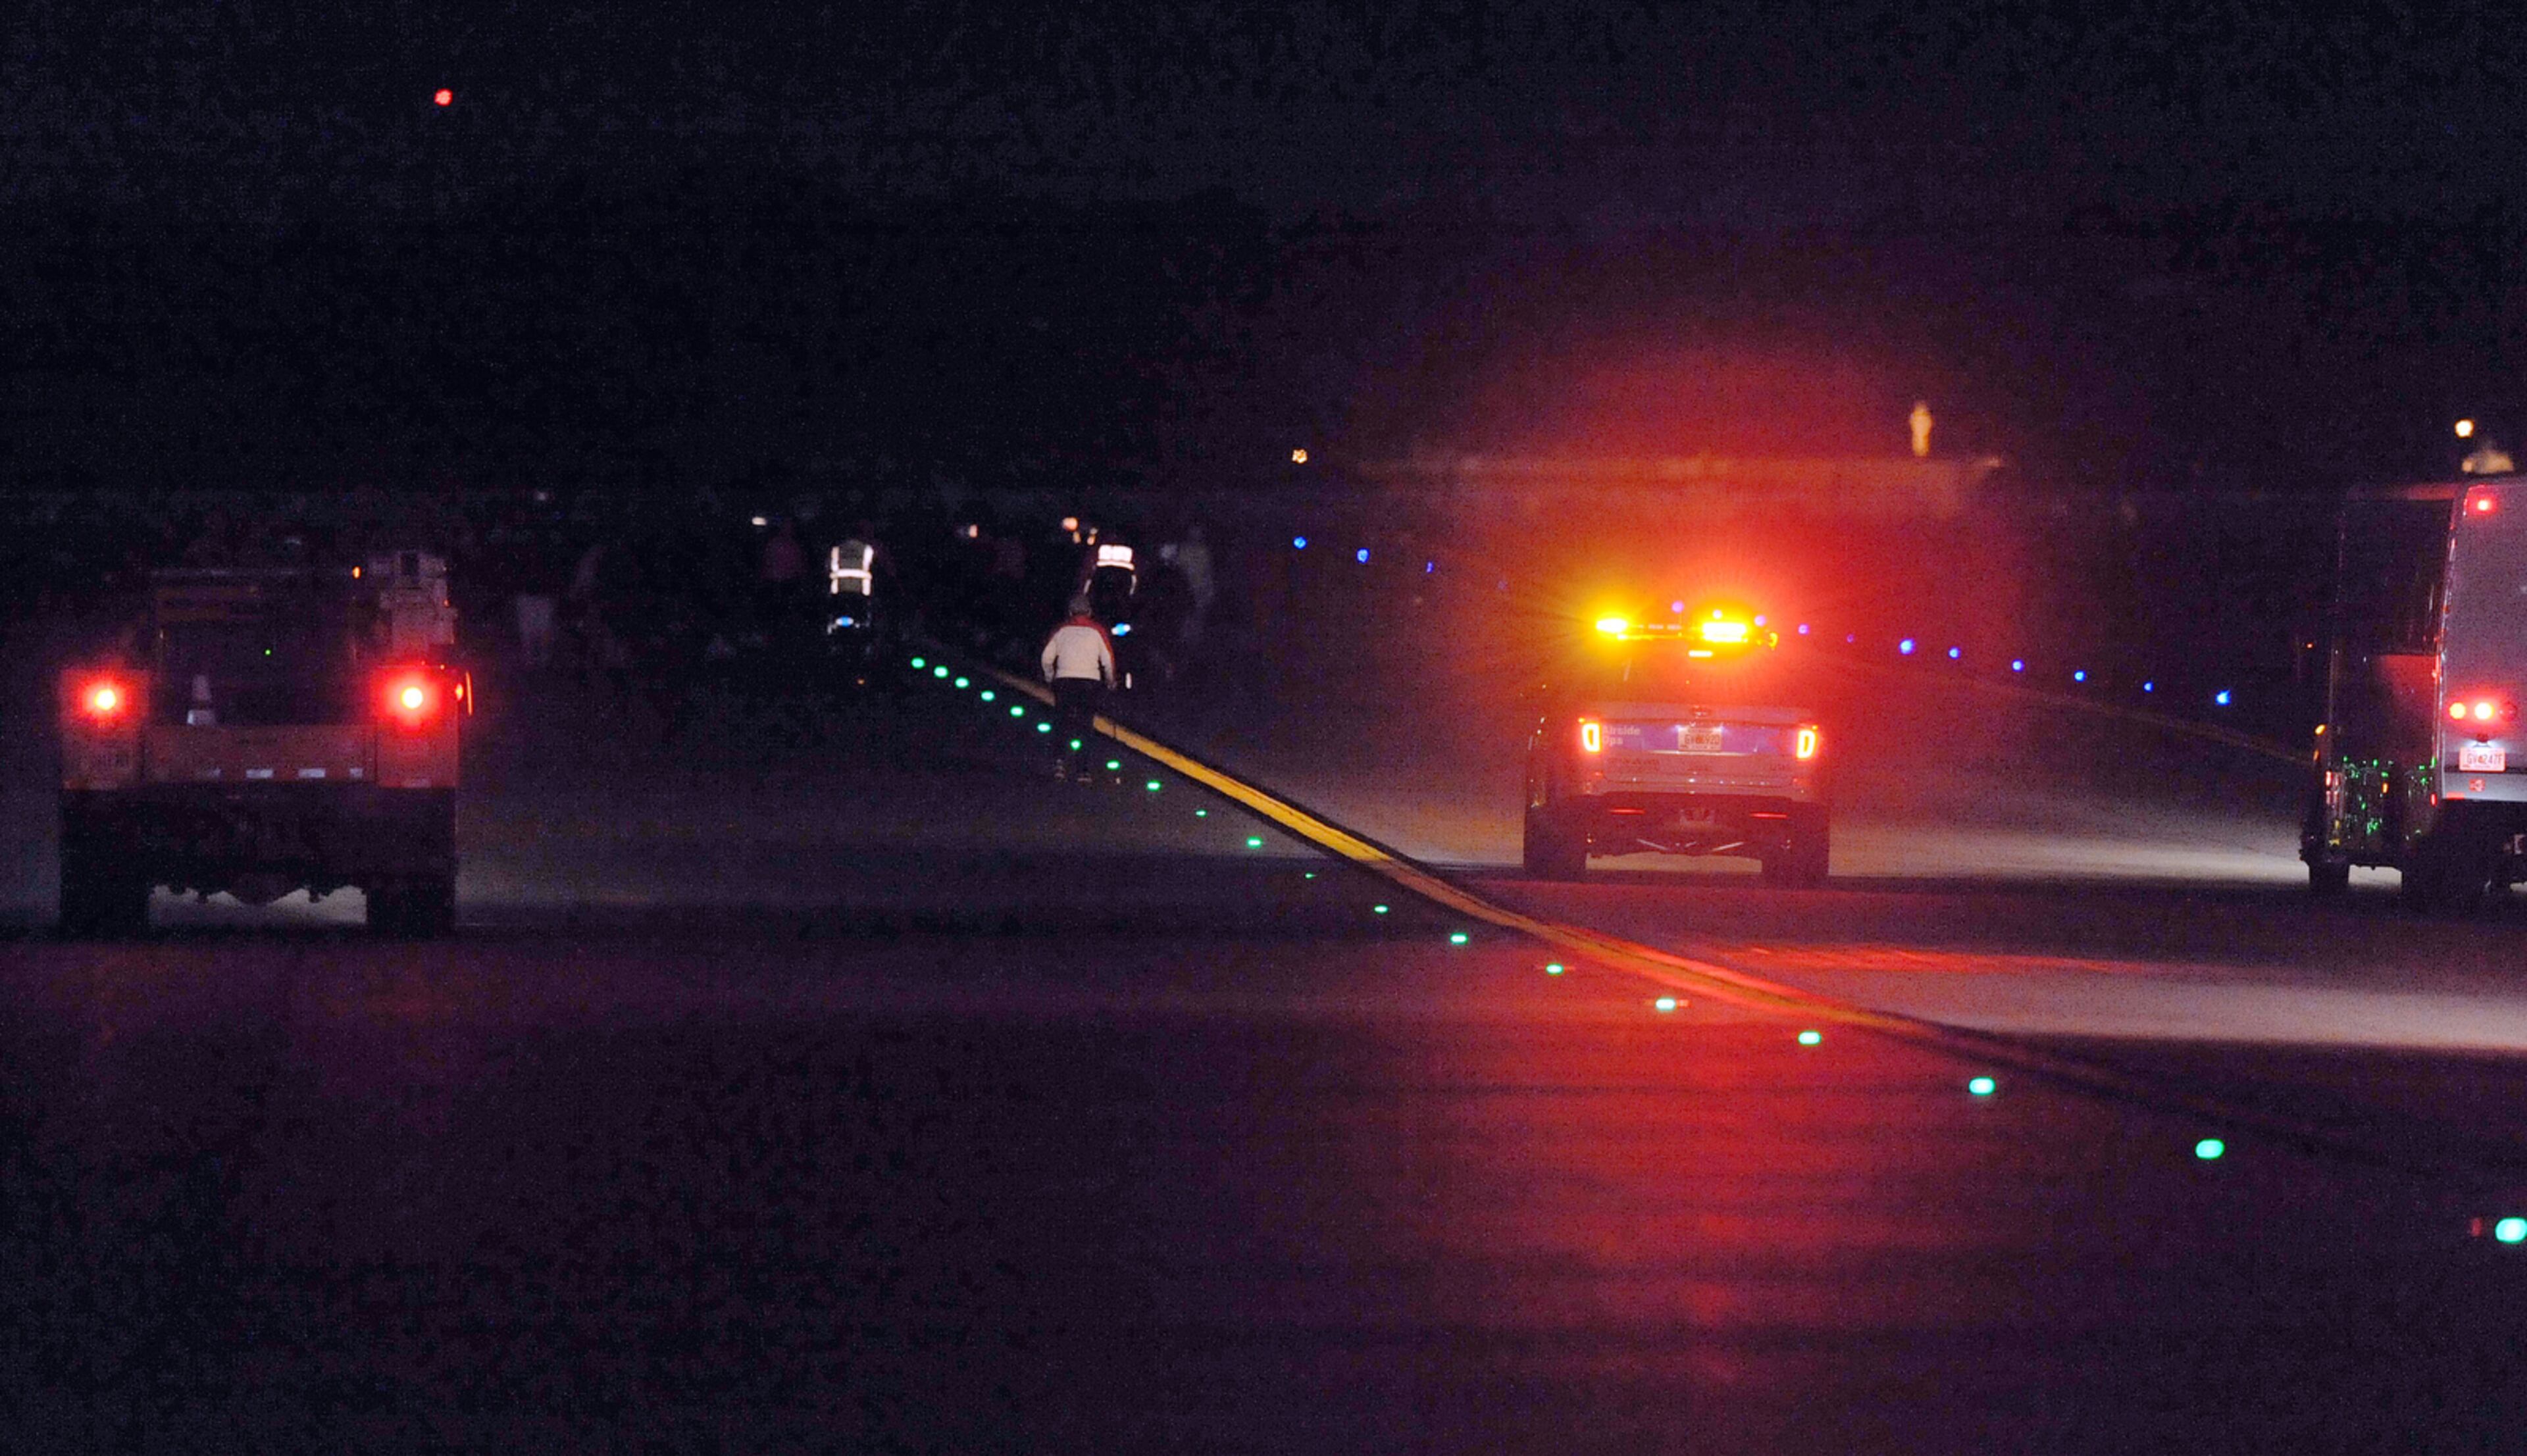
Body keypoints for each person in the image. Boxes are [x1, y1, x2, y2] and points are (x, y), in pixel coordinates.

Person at [1040, 596, 1116, 779]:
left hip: (1064, 681)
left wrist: (1050, 677)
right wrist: (1111, 680)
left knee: (1061, 722)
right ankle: (1083, 769)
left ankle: (1059, 763)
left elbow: (1046, 658)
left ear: (1070, 612)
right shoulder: (1098, 631)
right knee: (1085, 724)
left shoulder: (1061, 630)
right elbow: (1108, 659)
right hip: (1089, 683)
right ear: (1089, 612)